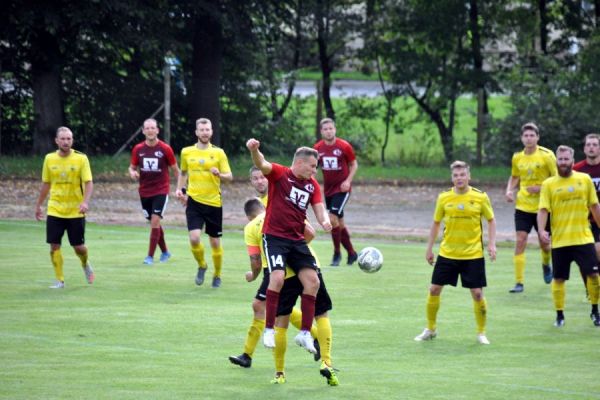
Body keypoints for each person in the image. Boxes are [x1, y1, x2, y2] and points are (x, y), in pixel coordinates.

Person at [246, 138, 332, 355]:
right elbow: (262, 163)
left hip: (296, 240)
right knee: (276, 277)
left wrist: (324, 221)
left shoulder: (312, 185)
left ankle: (304, 333)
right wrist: (254, 150)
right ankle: (268, 329)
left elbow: (319, 207)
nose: (315, 170)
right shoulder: (280, 174)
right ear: (300, 163)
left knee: (312, 282)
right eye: (313, 166)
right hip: (274, 237)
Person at [415, 161, 496, 344]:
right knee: (434, 289)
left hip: (473, 254)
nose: (459, 178)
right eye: (456, 175)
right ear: (452, 178)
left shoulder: (480, 197)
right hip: (447, 253)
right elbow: (436, 223)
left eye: (462, 175)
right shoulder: (444, 198)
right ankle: (430, 328)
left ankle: (481, 333)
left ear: (469, 176)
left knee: (477, 293)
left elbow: (491, 220)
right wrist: (429, 248)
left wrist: (492, 245)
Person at [537, 145, 600, 327]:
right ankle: (559, 315)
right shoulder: (549, 184)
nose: (563, 162)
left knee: (594, 276)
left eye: (566, 159)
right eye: (560, 159)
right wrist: (542, 231)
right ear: (556, 160)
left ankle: (595, 311)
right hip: (561, 241)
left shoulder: (584, 179)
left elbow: (594, 206)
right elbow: (543, 210)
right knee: (558, 279)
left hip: (583, 238)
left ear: (573, 160)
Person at [35, 126, 95, 288]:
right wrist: (39, 205)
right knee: (54, 245)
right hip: (55, 209)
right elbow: (46, 184)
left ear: (72, 140)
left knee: (79, 248)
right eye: (63, 139)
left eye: (69, 139)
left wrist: (85, 202)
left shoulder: (81, 159)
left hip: (75, 211)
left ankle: (85, 264)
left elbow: (89, 183)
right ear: (56, 141)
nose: (66, 141)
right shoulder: (49, 159)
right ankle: (59, 280)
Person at [176, 118, 232, 288]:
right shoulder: (186, 152)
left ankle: (217, 274)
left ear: (211, 132)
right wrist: (179, 189)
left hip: (214, 203)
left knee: (215, 242)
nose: (205, 132)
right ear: (196, 132)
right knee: (194, 238)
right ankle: (202, 265)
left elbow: (229, 177)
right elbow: (183, 172)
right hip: (194, 202)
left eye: (207, 129)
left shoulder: (219, 153)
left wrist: (219, 175)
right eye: (202, 130)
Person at [505, 122, 557, 293]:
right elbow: (514, 177)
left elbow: (558, 181)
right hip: (523, 206)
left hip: (543, 208)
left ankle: (546, 264)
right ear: (522, 138)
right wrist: (509, 190)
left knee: (545, 243)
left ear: (537, 137)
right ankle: (519, 282)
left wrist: (540, 188)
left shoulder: (547, 156)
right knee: (521, 240)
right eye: (526, 136)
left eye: (532, 135)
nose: (529, 138)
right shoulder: (517, 157)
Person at [128, 118, 180, 265]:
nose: (150, 130)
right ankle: (165, 252)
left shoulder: (165, 149)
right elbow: (131, 167)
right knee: (154, 222)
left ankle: (149, 256)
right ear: (143, 131)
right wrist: (132, 172)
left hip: (161, 190)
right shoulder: (138, 149)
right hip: (144, 192)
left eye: (153, 128)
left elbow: (176, 170)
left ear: (157, 130)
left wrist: (181, 189)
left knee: (155, 220)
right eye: (147, 128)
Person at [314, 118, 358, 266]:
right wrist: (311, 182)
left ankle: (337, 254)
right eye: (325, 129)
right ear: (321, 132)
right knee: (339, 223)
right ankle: (352, 253)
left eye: (331, 128)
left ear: (335, 129)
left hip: (342, 189)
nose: (328, 131)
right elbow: (314, 167)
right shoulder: (318, 148)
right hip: (328, 190)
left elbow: (354, 164)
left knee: (332, 218)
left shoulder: (344, 146)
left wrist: (348, 181)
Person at [573, 133, 600, 295]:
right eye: (588, 144)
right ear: (584, 149)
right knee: (584, 259)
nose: (591, 147)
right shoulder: (577, 170)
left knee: (597, 251)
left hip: (598, 221)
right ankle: (589, 290)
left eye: (595, 144)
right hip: (581, 220)